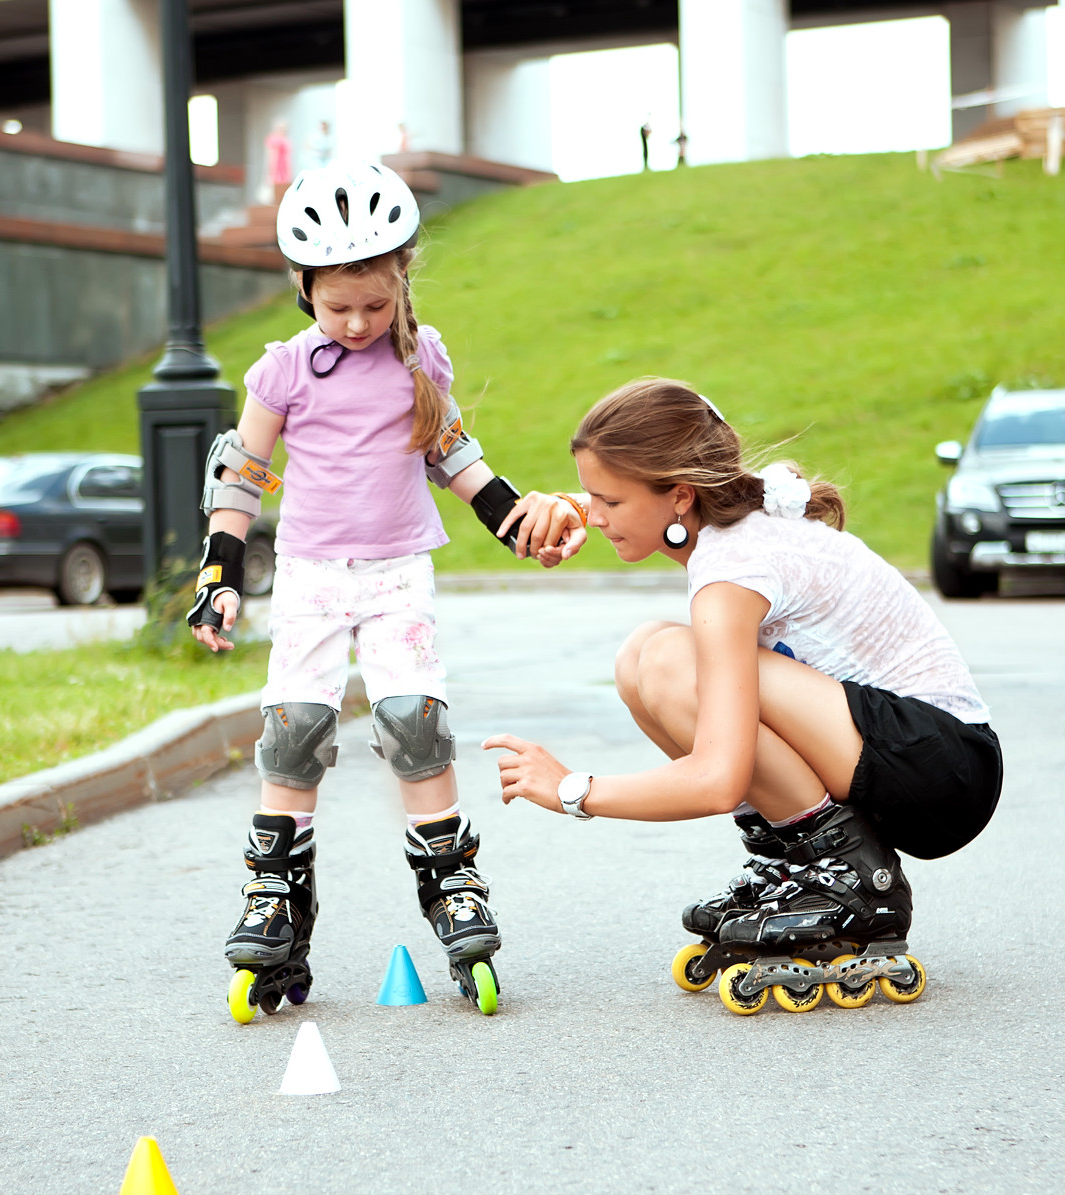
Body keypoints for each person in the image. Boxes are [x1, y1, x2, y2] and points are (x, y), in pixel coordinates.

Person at [188, 160, 586, 1025]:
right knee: (294, 730)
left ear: (403, 278)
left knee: (415, 720)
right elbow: (243, 474)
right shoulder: (283, 370)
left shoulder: (418, 356)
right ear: (303, 289)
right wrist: (219, 574)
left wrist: (515, 519)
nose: (360, 322)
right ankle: (275, 898)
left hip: (398, 571)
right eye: (340, 308)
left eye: (377, 303)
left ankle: (454, 882)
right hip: (310, 578)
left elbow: (452, 453)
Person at [484, 379, 1002, 1015]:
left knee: (673, 661)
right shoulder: (726, 513)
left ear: (679, 495)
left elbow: (715, 780)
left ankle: (850, 881)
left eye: (607, 500)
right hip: (903, 753)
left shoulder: (732, 570)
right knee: (640, 656)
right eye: (590, 495)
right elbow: (653, 499)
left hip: (942, 766)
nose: (593, 516)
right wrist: (570, 501)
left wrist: (571, 790)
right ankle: (799, 860)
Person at [265, 121, 293, 202]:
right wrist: (271, 171)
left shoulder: (286, 139)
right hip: (276, 171)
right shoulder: (274, 140)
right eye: (279, 128)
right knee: (274, 195)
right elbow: (272, 157)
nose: (281, 130)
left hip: (285, 171)